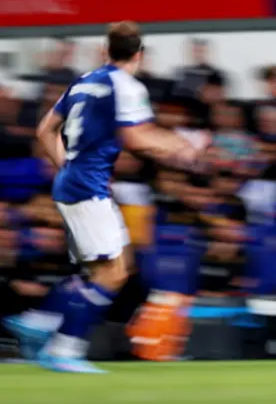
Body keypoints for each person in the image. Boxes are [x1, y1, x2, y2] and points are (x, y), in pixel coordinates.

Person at [3, 21, 209, 373]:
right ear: (139, 55)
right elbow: (138, 139)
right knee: (113, 273)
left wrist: (65, 166)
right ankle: (63, 348)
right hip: (88, 187)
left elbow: (44, 130)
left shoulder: (83, 82)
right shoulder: (126, 86)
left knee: (111, 267)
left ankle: (43, 318)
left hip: (75, 183)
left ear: (106, 51)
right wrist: (183, 149)